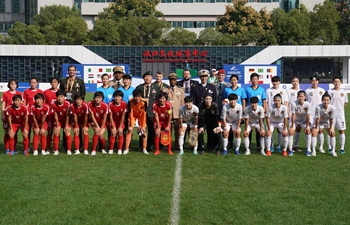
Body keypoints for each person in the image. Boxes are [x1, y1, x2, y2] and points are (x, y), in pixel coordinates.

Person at [135, 71, 160, 152]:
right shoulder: (139, 87)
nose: (147, 78)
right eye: (145, 77)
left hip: (151, 112)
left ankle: (150, 145)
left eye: (149, 76)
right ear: (143, 78)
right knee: (141, 129)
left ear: (151, 78)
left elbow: (158, 99)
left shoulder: (156, 87)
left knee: (151, 129)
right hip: (141, 112)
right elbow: (135, 98)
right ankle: (141, 145)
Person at [265, 76, 289, 153]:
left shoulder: (283, 91)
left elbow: (285, 102)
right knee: (270, 132)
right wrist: (266, 111)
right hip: (271, 115)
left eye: (277, 81)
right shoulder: (269, 90)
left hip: (280, 117)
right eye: (274, 82)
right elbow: (266, 102)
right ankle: (271, 146)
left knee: (280, 132)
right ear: (272, 82)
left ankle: (278, 146)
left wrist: (287, 112)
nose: (275, 83)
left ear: (279, 82)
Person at [245, 73, 267, 152]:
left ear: (258, 80)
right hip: (250, 112)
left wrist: (264, 111)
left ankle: (259, 146)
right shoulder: (248, 89)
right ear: (251, 81)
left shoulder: (261, 89)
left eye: (256, 79)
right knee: (249, 130)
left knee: (260, 130)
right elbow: (245, 100)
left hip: (259, 112)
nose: (254, 81)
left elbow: (264, 101)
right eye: (253, 79)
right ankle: (248, 146)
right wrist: (245, 110)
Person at [311, 92, 337, 157]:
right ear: (322, 100)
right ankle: (314, 150)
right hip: (318, 122)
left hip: (327, 121)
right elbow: (317, 118)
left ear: (330, 101)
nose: (326, 101)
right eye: (324, 100)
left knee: (332, 133)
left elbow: (331, 119)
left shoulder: (332, 108)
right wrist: (316, 127)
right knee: (314, 133)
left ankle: (333, 151)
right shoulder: (318, 107)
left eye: (327, 100)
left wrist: (331, 128)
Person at [305, 75, 326, 153]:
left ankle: (320, 147)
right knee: (310, 131)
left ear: (318, 81)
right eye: (313, 81)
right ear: (310, 82)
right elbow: (306, 102)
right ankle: (310, 148)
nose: (314, 82)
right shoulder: (307, 91)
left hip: (320, 113)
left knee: (320, 130)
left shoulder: (322, 90)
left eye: (316, 80)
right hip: (310, 113)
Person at [124, 89, 148, 155]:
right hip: (133, 116)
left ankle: (144, 149)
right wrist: (131, 125)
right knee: (129, 131)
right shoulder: (130, 102)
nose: (137, 98)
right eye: (136, 96)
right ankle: (126, 148)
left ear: (141, 96)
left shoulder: (144, 102)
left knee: (144, 131)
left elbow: (144, 114)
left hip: (141, 116)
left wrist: (142, 126)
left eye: (139, 96)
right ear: (133, 96)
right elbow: (130, 114)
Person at [328, 76, 347, 154]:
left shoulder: (344, 92)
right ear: (333, 83)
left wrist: (340, 109)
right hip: (331, 114)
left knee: (341, 130)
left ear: (341, 83)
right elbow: (326, 102)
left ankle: (342, 147)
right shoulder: (329, 92)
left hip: (340, 114)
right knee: (330, 131)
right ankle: (330, 147)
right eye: (335, 81)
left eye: (338, 81)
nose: (337, 83)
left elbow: (345, 103)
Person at [1, 79, 22, 154]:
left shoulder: (19, 93)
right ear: (9, 85)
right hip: (7, 115)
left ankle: (13, 148)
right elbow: (3, 104)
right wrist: (3, 115)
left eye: (14, 84)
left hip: (16, 116)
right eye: (11, 84)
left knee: (14, 132)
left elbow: (21, 105)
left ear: (16, 85)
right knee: (7, 132)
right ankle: (7, 149)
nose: (13, 85)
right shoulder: (5, 94)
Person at [289, 90, 311, 156]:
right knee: (291, 132)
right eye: (299, 96)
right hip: (294, 120)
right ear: (297, 97)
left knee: (308, 131)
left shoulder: (307, 104)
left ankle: (308, 150)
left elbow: (308, 116)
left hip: (303, 120)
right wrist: (292, 126)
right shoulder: (294, 104)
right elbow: (293, 115)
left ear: (305, 97)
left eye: (302, 96)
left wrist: (307, 126)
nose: (301, 98)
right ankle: (290, 150)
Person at [167, 73, 185, 150]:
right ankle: (167, 145)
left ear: (176, 80)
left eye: (174, 80)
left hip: (178, 114)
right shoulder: (165, 90)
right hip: (168, 114)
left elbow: (183, 103)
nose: (172, 81)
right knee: (168, 131)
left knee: (178, 131)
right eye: (171, 80)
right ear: (169, 81)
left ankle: (177, 145)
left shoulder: (181, 90)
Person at [51, 90, 72, 155]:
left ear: (64, 97)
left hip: (66, 120)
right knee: (56, 131)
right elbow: (55, 115)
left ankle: (69, 150)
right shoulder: (53, 104)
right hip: (58, 120)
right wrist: (57, 125)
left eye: (62, 96)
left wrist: (66, 125)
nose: (60, 98)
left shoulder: (67, 103)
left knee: (67, 132)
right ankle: (56, 150)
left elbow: (67, 115)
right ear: (56, 97)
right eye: (58, 96)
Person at [88, 91, 108, 156]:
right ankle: (93, 150)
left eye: (99, 98)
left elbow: (105, 118)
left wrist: (101, 128)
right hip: (94, 121)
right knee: (97, 132)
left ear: (102, 99)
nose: (97, 99)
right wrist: (97, 127)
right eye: (96, 97)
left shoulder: (105, 105)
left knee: (101, 134)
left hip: (102, 122)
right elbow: (92, 116)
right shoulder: (90, 104)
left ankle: (103, 148)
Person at [108, 90, 127, 155]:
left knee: (120, 132)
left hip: (120, 121)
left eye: (119, 97)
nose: (117, 98)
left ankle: (119, 149)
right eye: (115, 96)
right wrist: (113, 127)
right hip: (113, 120)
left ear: (121, 97)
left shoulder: (124, 104)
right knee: (113, 132)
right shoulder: (110, 104)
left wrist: (120, 127)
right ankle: (111, 149)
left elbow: (123, 116)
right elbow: (110, 116)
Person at [44, 77, 60, 154]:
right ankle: (48, 148)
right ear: (50, 83)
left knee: (57, 131)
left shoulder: (61, 92)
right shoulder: (46, 92)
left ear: (58, 83)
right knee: (49, 131)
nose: (54, 84)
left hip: (58, 115)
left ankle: (56, 148)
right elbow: (44, 103)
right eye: (52, 82)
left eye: (55, 82)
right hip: (50, 115)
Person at [286, 76, 301, 151]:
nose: (295, 83)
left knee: (298, 129)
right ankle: (289, 147)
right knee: (291, 130)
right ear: (291, 82)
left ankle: (296, 145)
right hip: (291, 113)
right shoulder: (288, 91)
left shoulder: (301, 91)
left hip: (299, 114)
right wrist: (288, 113)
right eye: (294, 81)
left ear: (298, 82)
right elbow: (287, 103)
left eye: (297, 81)